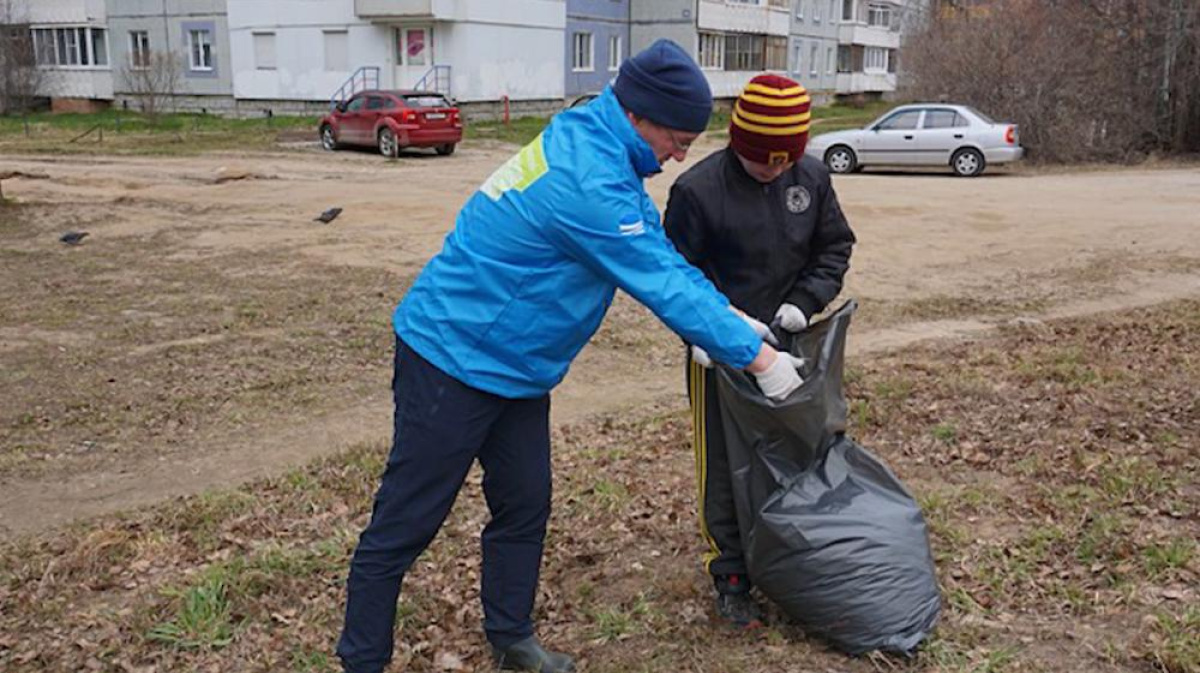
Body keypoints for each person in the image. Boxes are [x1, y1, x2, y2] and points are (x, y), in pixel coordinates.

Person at [336, 42, 806, 673]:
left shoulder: (604, 145)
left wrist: (731, 321)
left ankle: (512, 639)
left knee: (525, 504)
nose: (682, 153)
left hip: (518, 368)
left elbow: (660, 257)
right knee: (405, 523)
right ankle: (361, 661)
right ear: (641, 115)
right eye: (678, 135)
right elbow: (653, 279)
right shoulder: (586, 178)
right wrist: (759, 360)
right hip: (452, 356)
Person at [663, 74, 856, 628]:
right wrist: (701, 335)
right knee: (724, 465)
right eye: (761, 163)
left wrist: (803, 302)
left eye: (782, 162)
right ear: (737, 142)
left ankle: (795, 559)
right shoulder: (697, 192)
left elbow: (834, 246)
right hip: (718, 355)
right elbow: (675, 277)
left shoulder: (811, 178)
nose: (773, 171)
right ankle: (730, 576)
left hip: (792, 341)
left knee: (802, 450)